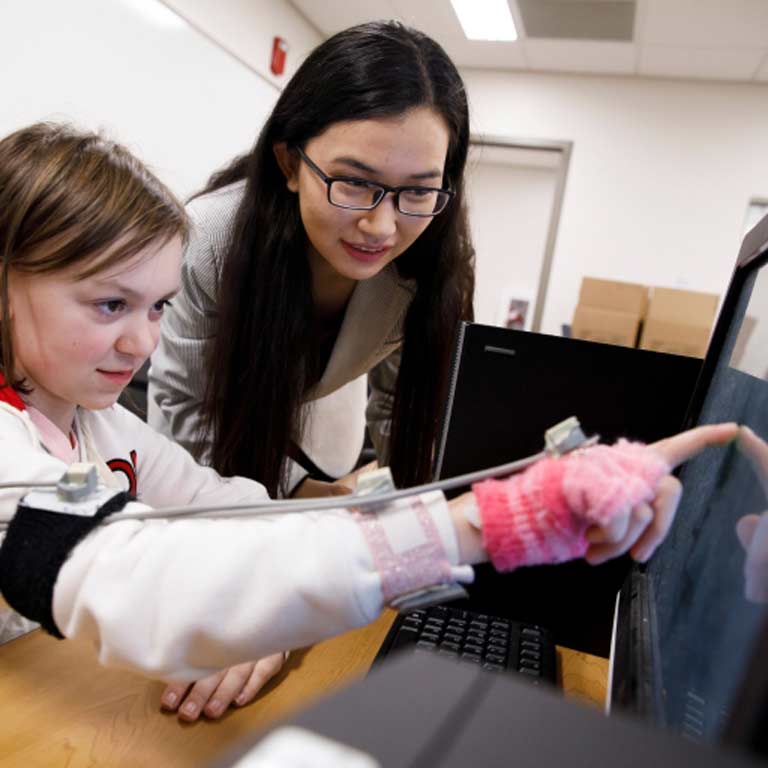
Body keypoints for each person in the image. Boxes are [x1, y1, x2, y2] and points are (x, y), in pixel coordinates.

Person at [0, 122, 736, 728]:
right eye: (109, 306)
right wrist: (507, 518)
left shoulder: (95, 427)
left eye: (157, 307)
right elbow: (134, 583)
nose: (144, 344)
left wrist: (268, 612)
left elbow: (236, 513)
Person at [147, 21, 476, 498]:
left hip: (301, 427)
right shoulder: (211, 242)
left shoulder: (431, 257)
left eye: (419, 189)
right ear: (289, 163)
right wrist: (305, 493)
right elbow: (188, 413)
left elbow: (403, 410)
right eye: (355, 182)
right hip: (200, 436)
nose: (383, 227)